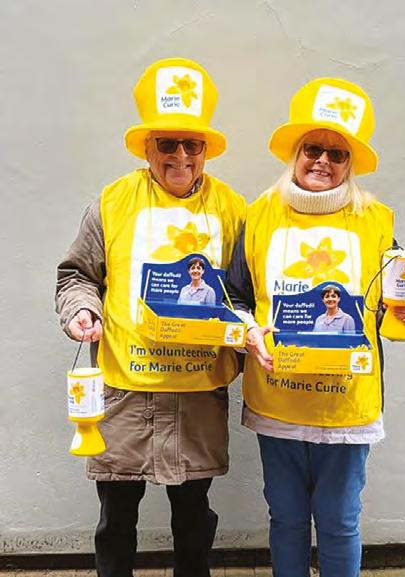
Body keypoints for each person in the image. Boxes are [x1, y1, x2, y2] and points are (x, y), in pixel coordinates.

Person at [226, 78, 405, 577]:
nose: (322, 161)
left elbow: (389, 307)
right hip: (277, 397)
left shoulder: (375, 221)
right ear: (295, 153)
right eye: (312, 149)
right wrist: (247, 330)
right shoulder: (259, 215)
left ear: (349, 163)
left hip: (345, 404)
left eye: (336, 154)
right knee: (287, 518)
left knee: (339, 522)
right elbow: (236, 296)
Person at [56, 58, 246, 577]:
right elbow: (77, 276)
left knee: (194, 516)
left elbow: (247, 291)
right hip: (125, 389)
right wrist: (81, 311)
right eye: (168, 143)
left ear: (205, 149)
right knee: (116, 517)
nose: (181, 156)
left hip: (196, 391)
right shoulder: (113, 202)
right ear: (147, 148)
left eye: (192, 144)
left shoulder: (232, 209)